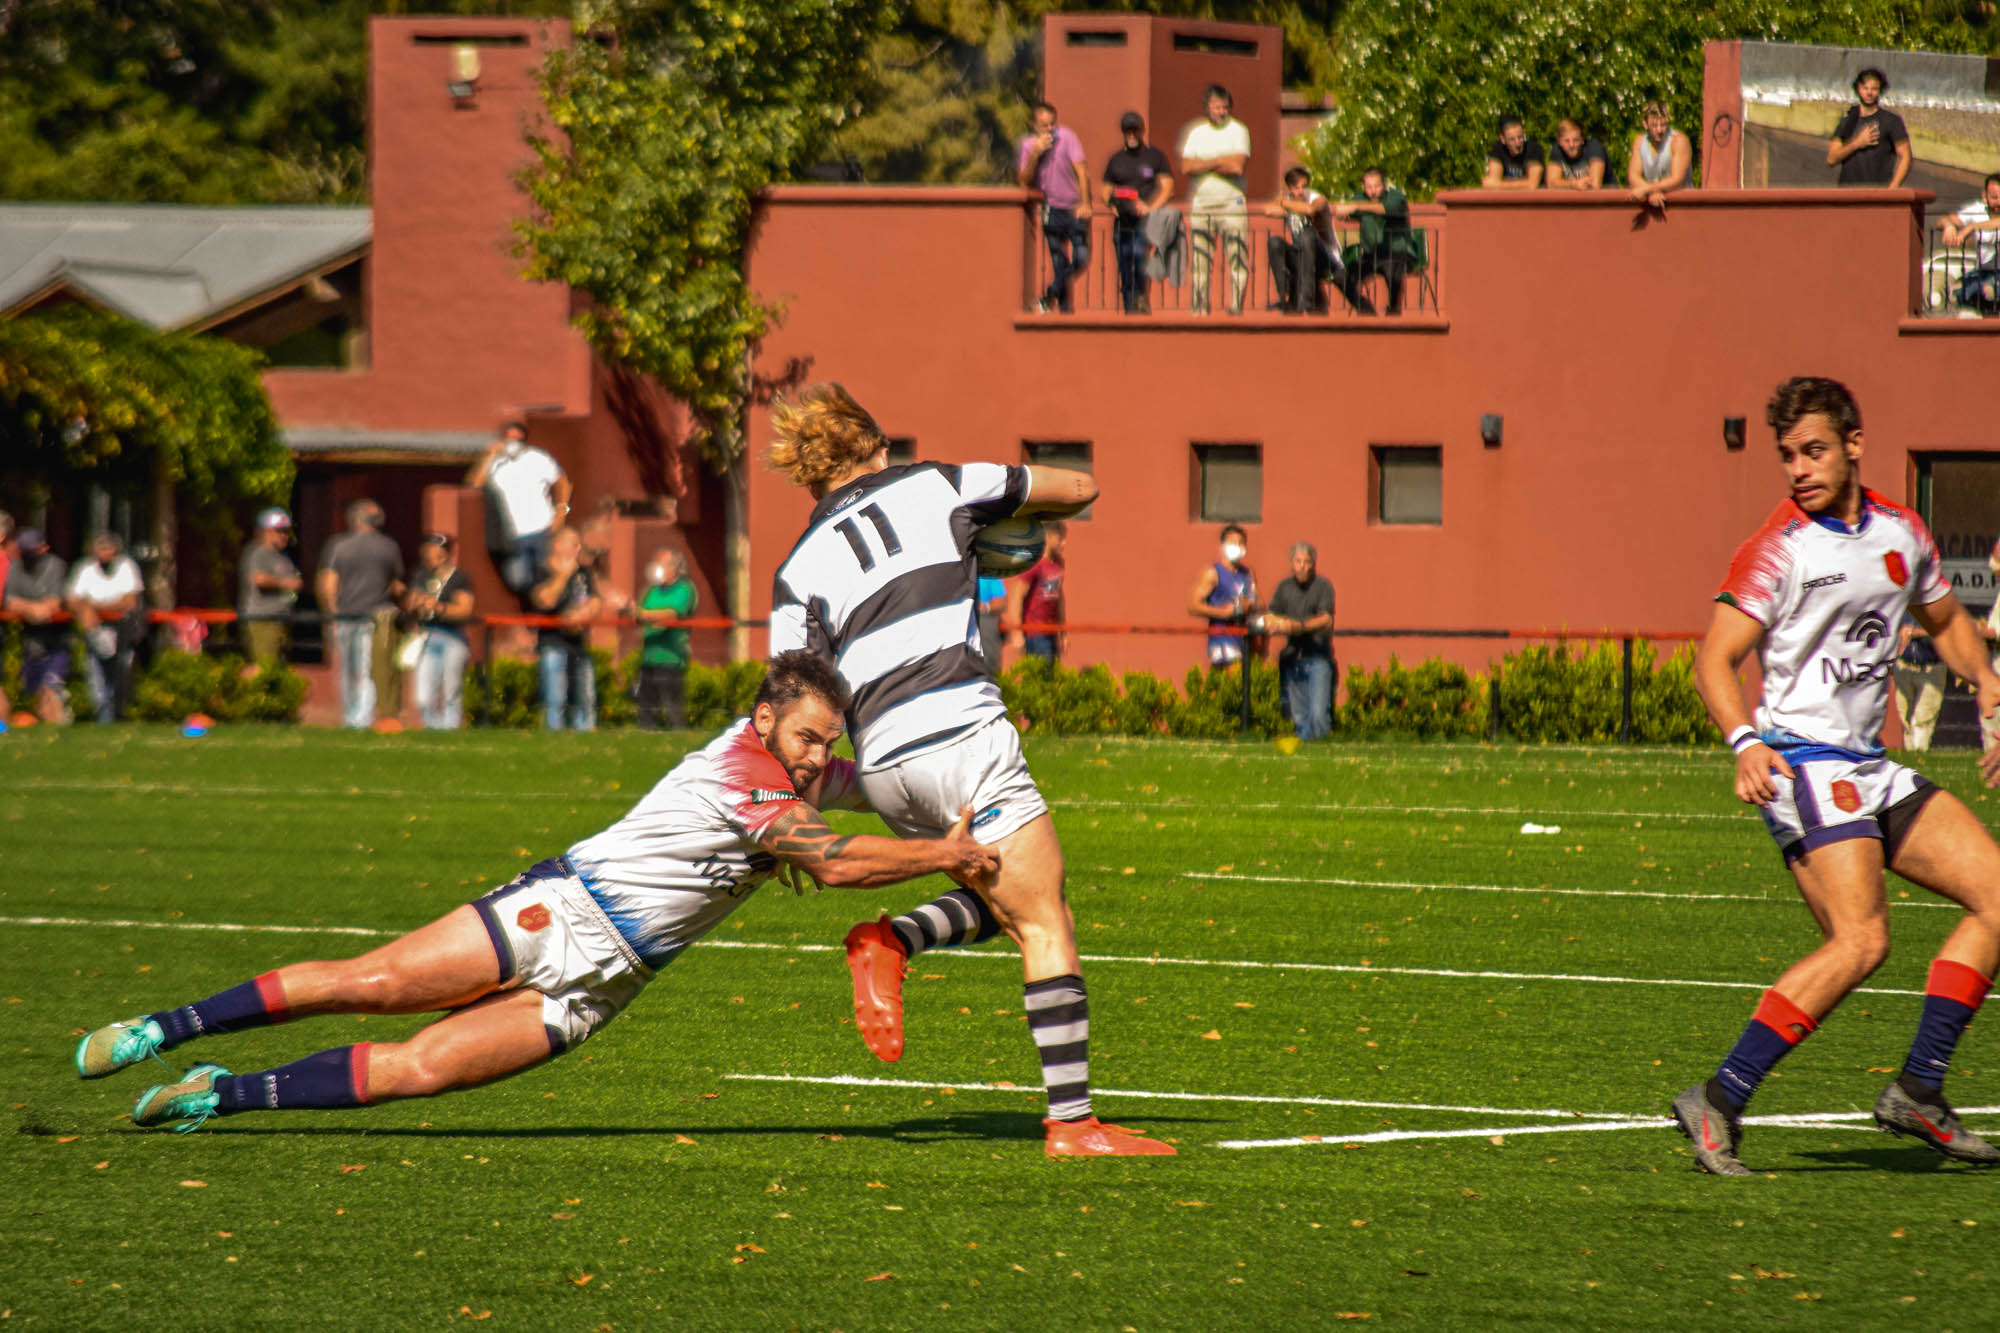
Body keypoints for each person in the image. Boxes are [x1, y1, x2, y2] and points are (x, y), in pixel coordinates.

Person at [74, 653, 999, 1133]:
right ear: (764, 720)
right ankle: (167, 1029)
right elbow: (836, 862)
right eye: (807, 737)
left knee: (420, 1068)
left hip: (604, 985)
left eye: (828, 742)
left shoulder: (800, 775)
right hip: (559, 914)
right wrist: (944, 852)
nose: (819, 755)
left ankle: (217, 1096)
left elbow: (861, 803)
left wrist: (944, 811)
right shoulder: (742, 766)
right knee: (377, 981)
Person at [766, 382, 1170, 1157]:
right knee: (1046, 915)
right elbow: (1079, 488)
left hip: (882, 762)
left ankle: (892, 941)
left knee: (1003, 890)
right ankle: (1074, 1124)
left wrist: (802, 809)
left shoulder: (796, 568)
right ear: (879, 448)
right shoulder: (936, 483)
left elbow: (796, 704)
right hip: (961, 731)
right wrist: (1001, 525)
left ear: (814, 477)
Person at [1671, 375, 2000, 1175]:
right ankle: (1718, 1097)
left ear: (1855, 445)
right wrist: (1744, 740)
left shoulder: (1901, 530)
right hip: (1803, 760)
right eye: (1788, 455)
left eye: (1813, 450)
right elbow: (1713, 658)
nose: (1799, 468)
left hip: (1871, 765)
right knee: (1862, 939)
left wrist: (1989, 679)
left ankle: (1919, 1088)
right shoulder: (1775, 548)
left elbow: (1947, 618)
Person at [316, 500, 405, 730]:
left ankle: (350, 716)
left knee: (346, 670)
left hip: (344, 616)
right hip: (374, 617)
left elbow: (328, 583)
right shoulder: (389, 546)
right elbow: (396, 584)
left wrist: (331, 613)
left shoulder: (338, 545)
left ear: (353, 520)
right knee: (367, 669)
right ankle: (362, 719)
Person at [467, 421, 571, 597]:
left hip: (542, 529)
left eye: (517, 437)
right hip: (511, 534)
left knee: (545, 576)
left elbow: (562, 482)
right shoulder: (495, 463)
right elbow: (473, 485)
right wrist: (489, 456)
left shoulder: (538, 457)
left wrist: (561, 512)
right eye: (509, 437)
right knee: (518, 580)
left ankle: (541, 619)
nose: (513, 441)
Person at [1179, 84, 1252, 316]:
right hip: (1202, 205)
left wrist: (1204, 163)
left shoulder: (1239, 131)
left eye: (1225, 107)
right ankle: (1199, 310)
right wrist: (1219, 160)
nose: (1221, 111)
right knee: (1200, 262)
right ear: (1207, 108)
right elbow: (1186, 166)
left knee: (1237, 258)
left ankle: (1236, 307)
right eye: (1216, 107)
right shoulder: (1196, 133)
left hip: (1232, 205)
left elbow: (1237, 166)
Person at [1017, 102, 1092, 315]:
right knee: (1059, 263)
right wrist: (1035, 154)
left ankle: (1048, 296)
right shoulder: (1029, 146)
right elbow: (1023, 181)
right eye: (1044, 126)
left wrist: (1085, 203)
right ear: (1034, 125)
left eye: (1052, 124)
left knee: (1081, 258)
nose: (1050, 130)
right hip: (1051, 211)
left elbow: (1081, 171)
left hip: (1074, 210)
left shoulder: (1068, 137)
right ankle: (1065, 313)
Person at [65, 531, 144, 724]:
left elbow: (129, 601)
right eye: (100, 548)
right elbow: (72, 599)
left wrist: (92, 606)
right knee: (97, 680)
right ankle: (103, 718)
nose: (104, 552)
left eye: (108, 548)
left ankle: (120, 715)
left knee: (121, 676)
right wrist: (87, 609)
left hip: (123, 630)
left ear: (116, 550)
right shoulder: (85, 568)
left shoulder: (126, 566)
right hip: (96, 630)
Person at [1101, 110, 1173, 314]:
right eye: (1127, 130)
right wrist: (1111, 204)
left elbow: (1168, 187)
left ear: (1142, 131)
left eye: (1134, 130)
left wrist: (1150, 207)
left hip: (1145, 220)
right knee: (1125, 264)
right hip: (1122, 221)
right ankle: (1129, 309)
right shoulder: (1116, 160)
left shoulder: (1154, 156)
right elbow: (1105, 188)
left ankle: (1140, 300)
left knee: (1140, 258)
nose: (1131, 134)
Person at [529, 526, 600, 732]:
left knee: (585, 696)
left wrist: (583, 614)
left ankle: (585, 735)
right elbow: (544, 600)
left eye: (578, 544)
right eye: (573, 543)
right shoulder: (542, 570)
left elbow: (594, 600)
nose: (578, 548)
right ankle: (555, 734)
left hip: (579, 643)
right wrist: (563, 576)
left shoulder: (583, 572)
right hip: (553, 644)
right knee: (555, 697)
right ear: (557, 545)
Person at [405, 532, 475, 730]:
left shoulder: (459, 578)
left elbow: (464, 609)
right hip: (426, 635)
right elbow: (409, 603)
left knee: (451, 687)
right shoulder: (420, 575)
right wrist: (413, 602)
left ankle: (450, 727)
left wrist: (438, 607)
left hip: (451, 636)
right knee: (423, 693)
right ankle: (432, 727)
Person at [1266, 541, 1336, 741]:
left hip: (1318, 657)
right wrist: (1275, 622)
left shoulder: (1323, 586)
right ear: (1291, 563)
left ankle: (1321, 749)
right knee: (1298, 716)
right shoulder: (1284, 587)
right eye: (1298, 561)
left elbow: (1326, 619)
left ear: (1313, 564)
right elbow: (1272, 614)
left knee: (1318, 714)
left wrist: (1298, 626)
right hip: (1292, 658)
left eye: (1307, 562)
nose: (1302, 566)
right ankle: (1305, 753)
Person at [4, 528, 70, 725]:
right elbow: (9, 601)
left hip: (57, 638)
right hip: (30, 639)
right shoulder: (15, 568)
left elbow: (55, 602)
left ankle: (56, 730)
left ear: (43, 548)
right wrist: (33, 609)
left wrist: (41, 608)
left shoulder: (55, 566)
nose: (29, 556)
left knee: (51, 687)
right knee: (34, 690)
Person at [1333, 166, 1412, 316]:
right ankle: (1364, 308)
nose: (1373, 191)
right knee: (1340, 277)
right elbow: (1346, 210)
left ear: (1385, 186)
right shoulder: (1360, 197)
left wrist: (1355, 207)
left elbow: (1383, 209)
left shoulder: (1396, 197)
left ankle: (1394, 309)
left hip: (1396, 253)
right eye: (1369, 187)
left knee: (1393, 271)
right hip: (1370, 255)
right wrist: (1342, 213)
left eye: (1376, 186)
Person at [635, 548, 698, 730]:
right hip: (649, 657)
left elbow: (673, 613)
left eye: (661, 564)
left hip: (671, 658)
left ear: (674, 567)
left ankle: (678, 741)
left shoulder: (684, 588)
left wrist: (648, 615)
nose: (657, 568)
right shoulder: (653, 590)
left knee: (673, 709)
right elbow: (640, 614)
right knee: (647, 708)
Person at [1263, 166, 1338, 314]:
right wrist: (1285, 202)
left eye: (1304, 186)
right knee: (1275, 242)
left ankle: (1306, 298)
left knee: (1307, 235)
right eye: (1297, 188)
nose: (1301, 191)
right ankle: (1284, 295)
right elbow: (1268, 210)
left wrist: (1284, 203)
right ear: (1290, 189)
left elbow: (1311, 210)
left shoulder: (1316, 198)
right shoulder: (1291, 200)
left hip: (1323, 256)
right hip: (1300, 254)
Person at [238, 507, 302, 664]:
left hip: (282, 618)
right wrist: (286, 582)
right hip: (263, 619)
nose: (284, 536)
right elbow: (257, 578)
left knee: (280, 666)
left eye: (286, 531)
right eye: (279, 531)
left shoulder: (282, 556)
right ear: (265, 531)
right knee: (264, 666)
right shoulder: (258, 552)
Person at [1828, 67, 1910, 189]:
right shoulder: (1849, 120)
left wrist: (1893, 188)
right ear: (1858, 89)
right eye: (1865, 88)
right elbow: (1832, 158)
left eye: (1874, 89)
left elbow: (1905, 155)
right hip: (1847, 194)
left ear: (1880, 90)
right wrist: (1857, 143)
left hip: (1877, 193)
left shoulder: (1891, 121)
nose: (1869, 93)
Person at [1188, 524, 1257, 668]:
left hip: (1243, 638)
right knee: (1232, 681)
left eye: (1241, 543)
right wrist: (1223, 612)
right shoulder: (1212, 573)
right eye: (1232, 543)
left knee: (1240, 685)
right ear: (1222, 546)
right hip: (1222, 640)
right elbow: (1193, 606)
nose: (1237, 547)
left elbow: (1257, 601)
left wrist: (1249, 605)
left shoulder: (1247, 574)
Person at [1007, 521, 1067, 664]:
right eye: (1061, 538)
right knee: (1039, 678)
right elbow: (1017, 596)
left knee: (1052, 679)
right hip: (1035, 633)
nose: (1064, 543)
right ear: (1049, 537)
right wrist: (1016, 631)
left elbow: (1059, 600)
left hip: (1051, 631)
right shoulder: (1034, 563)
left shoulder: (1057, 564)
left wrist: (1063, 633)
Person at [1942, 174, 2000, 317]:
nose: (1999, 202)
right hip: (1984, 271)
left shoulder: (1977, 224)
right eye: (1994, 197)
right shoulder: (1977, 210)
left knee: (1989, 290)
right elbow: (1946, 219)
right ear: (1984, 196)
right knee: (1959, 291)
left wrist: (1971, 227)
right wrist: (1949, 226)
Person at [1626, 101, 1691, 207]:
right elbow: (1633, 176)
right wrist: (1653, 192)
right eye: (1654, 125)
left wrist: (1647, 189)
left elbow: (1677, 179)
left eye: (1663, 124)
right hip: (1654, 202)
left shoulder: (1678, 141)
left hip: (1681, 205)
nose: (1659, 130)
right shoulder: (1639, 142)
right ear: (1645, 124)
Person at [1892, 622, 1945, 752]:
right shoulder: (1901, 608)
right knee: (1904, 713)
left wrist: (1915, 633)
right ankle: (1909, 753)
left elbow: (1946, 628)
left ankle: (1920, 751)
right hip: (1903, 665)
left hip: (1931, 666)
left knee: (1924, 714)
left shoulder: (1936, 605)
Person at [1482, 115, 1545, 189]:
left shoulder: (1533, 149)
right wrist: (1523, 183)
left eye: (1520, 137)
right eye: (1512, 139)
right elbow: (1491, 183)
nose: (1517, 143)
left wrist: (1499, 184)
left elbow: (1532, 184)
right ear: (1503, 139)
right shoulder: (1498, 150)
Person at [1546, 119, 1608, 190]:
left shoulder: (1594, 148)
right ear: (1560, 142)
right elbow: (1551, 184)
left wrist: (1564, 184)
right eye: (1567, 141)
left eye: (1576, 140)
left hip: (1607, 198)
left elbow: (1595, 184)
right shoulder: (1557, 150)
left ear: (1582, 140)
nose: (1571, 145)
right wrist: (1574, 184)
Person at [976, 574, 1007, 673]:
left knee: (989, 660)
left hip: (984, 620)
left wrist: (985, 607)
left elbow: (1001, 602)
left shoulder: (988, 575)